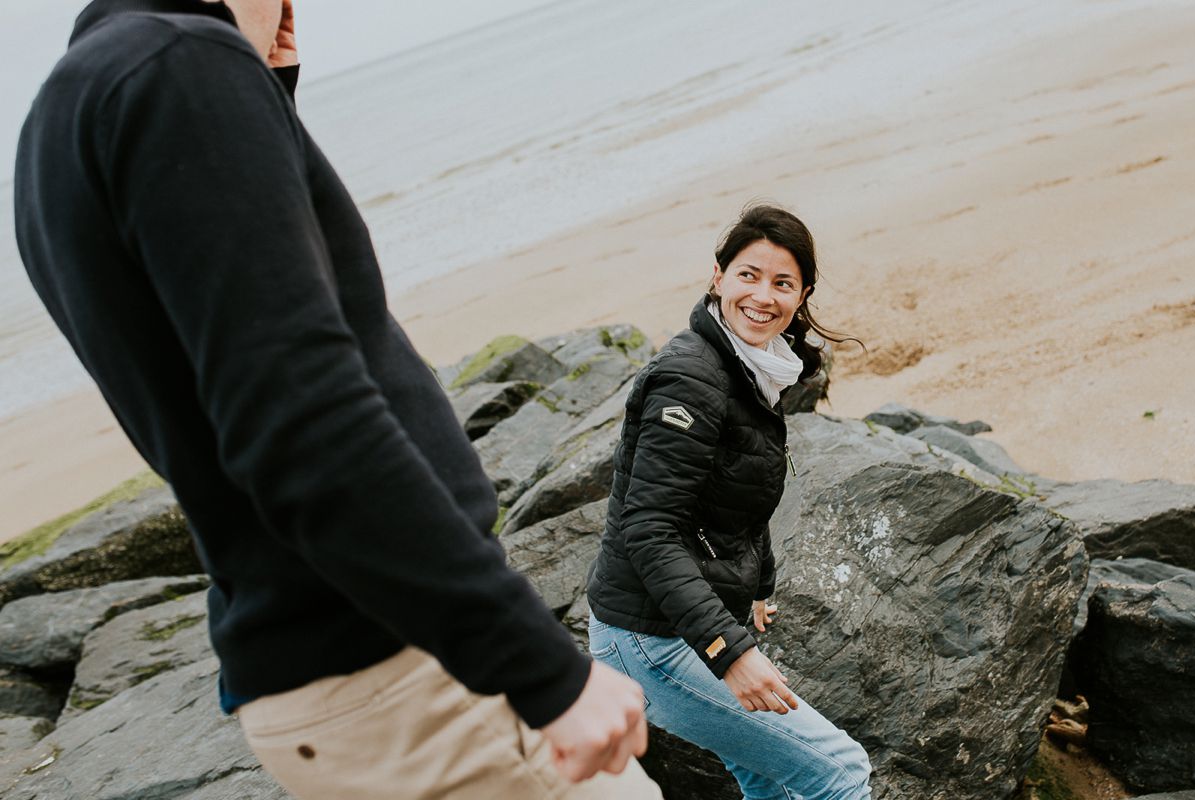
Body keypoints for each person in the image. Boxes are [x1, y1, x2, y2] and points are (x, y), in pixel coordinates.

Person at [14, 1, 662, 797]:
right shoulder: (178, 70)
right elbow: (300, 417)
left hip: (332, 672)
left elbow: (218, 359)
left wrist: (265, 99)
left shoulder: (71, 107)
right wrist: (539, 669)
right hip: (402, 673)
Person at [586, 204, 872, 799]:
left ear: (803, 294)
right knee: (839, 773)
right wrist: (730, 651)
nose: (763, 296)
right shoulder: (692, 378)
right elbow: (649, 529)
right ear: (718, 277)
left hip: (674, 622)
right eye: (749, 275)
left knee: (770, 782)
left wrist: (759, 582)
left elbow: (736, 503)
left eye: (782, 283)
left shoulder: (751, 370)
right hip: (649, 635)